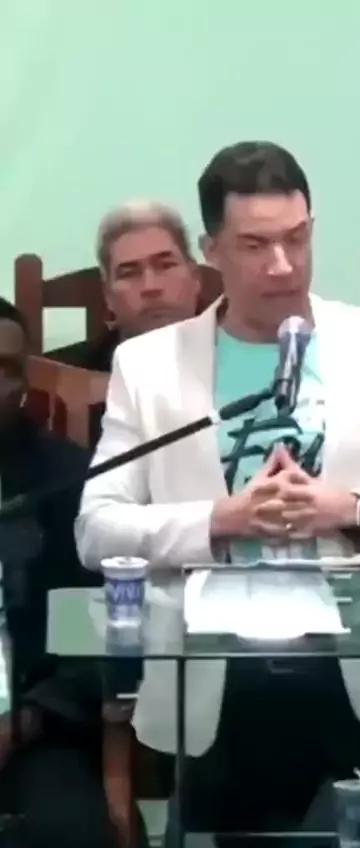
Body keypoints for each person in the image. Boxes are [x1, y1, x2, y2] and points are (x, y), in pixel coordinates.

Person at [76, 141, 360, 845]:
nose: (283, 265)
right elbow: (97, 529)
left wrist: (348, 510)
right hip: (217, 677)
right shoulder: (150, 366)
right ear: (211, 251)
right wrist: (220, 519)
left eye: (297, 239)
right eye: (255, 245)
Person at [0, 298, 149, 847]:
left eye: (4, 368)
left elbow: (104, 634)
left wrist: (27, 720)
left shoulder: (68, 481)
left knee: (72, 833)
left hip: (36, 732)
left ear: (24, 382)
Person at [53, 199, 210, 373]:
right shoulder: (67, 378)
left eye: (165, 265)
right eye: (129, 273)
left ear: (195, 277)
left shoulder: (232, 356)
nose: (150, 287)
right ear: (108, 296)